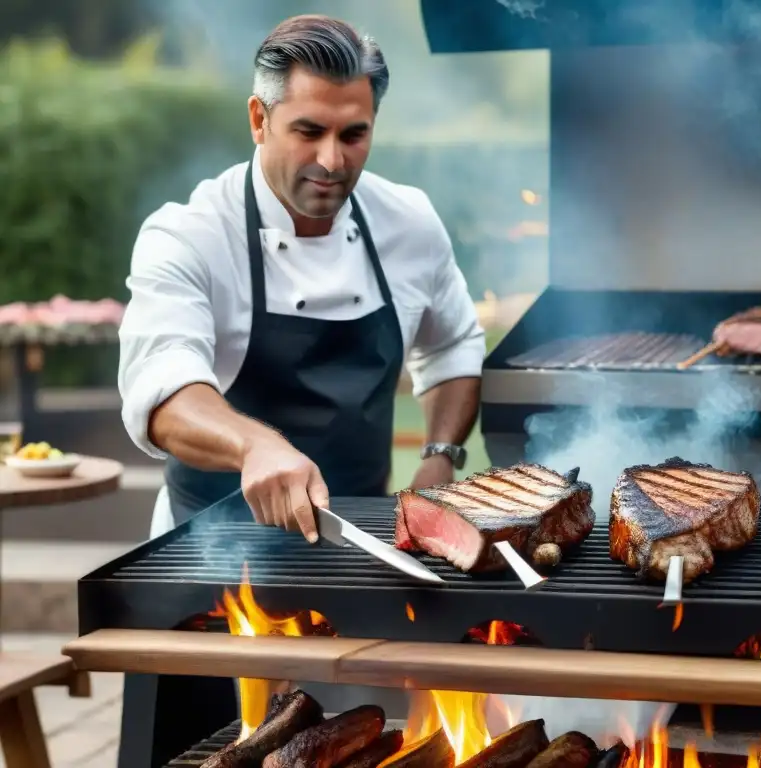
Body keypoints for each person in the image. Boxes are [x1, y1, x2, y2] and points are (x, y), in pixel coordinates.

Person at [118, 14, 486, 541]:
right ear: (258, 119)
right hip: (209, 553)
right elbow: (162, 391)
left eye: (354, 135)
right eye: (309, 131)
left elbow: (452, 346)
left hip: (361, 545)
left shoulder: (408, 222)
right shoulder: (189, 234)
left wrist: (440, 456)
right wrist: (255, 445)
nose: (332, 160)